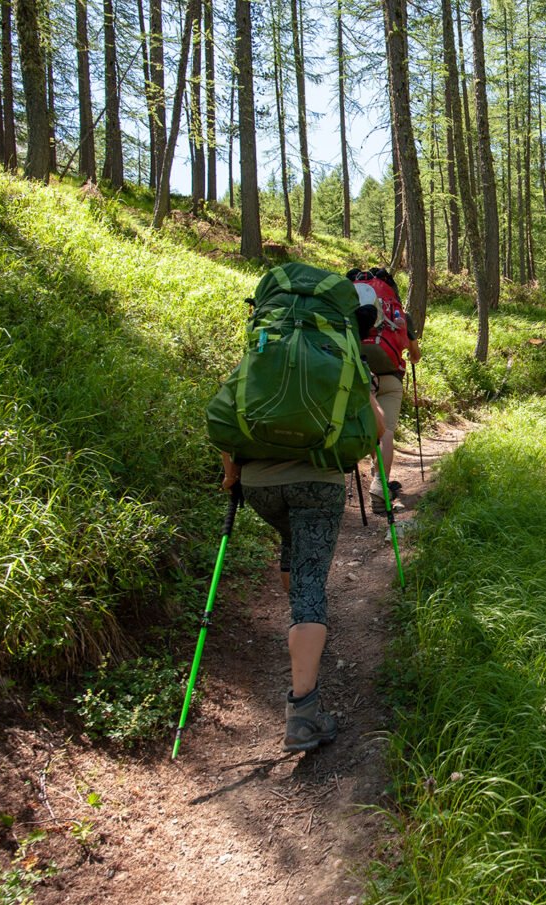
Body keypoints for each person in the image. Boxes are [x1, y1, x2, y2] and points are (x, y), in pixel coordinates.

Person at [219, 296, 385, 753]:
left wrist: (232, 475)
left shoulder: (263, 353)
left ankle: (303, 635)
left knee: (293, 544)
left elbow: (225, 418)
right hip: (317, 484)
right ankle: (304, 713)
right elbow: (377, 427)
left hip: (259, 486)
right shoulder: (344, 357)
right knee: (312, 583)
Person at [348, 267, 421, 514]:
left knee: (361, 426)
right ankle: (380, 487)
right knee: (385, 430)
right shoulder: (400, 312)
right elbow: (415, 355)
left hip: (357, 374)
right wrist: (408, 354)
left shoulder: (351, 308)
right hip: (390, 376)